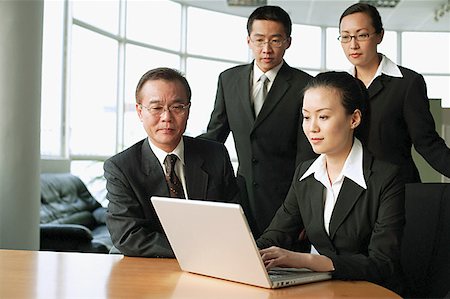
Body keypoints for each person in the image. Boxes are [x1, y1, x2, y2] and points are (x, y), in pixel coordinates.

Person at [257, 71, 405, 293]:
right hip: (323, 290)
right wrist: (244, 255)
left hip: (373, 292)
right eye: (306, 117)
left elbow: (382, 263)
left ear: (354, 119)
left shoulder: (386, 178)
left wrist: (306, 261)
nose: (312, 127)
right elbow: (277, 234)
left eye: (323, 117)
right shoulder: (305, 173)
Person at [199, 5, 316, 239]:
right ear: (248, 40)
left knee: (288, 272)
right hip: (239, 200)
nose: (266, 49)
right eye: (259, 40)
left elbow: (308, 156)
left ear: (288, 42)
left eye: (275, 40)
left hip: (287, 202)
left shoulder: (306, 85)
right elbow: (215, 136)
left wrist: (304, 210)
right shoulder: (228, 79)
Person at [104, 67, 239, 257]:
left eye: (177, 107)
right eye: (156, 108)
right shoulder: (121, 168)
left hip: (214, 264)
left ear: (188, 110)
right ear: (140, 111)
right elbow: (128, 236)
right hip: (152, 265)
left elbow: (234, 217)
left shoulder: (215, 155)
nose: (166, 117)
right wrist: (197, 250)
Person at [338, 3, 450, 183]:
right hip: (351, 189)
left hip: (397, 187)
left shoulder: (407, 83)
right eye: (345, 37)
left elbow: (427, 143)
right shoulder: (339, 86)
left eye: (362, 35)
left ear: (379, 36)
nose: (353, 45)